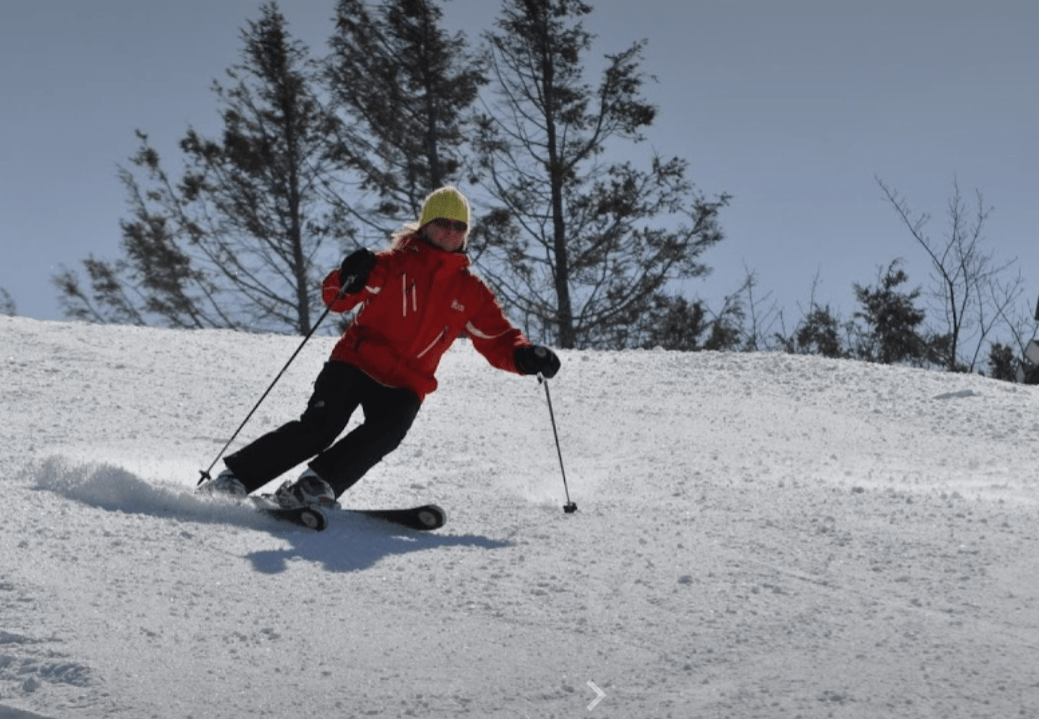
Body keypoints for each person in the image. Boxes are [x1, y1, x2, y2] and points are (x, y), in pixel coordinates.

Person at [200, 186, 561, 508]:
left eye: (459, 226)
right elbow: (337, 298)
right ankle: (235, 479)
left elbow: (498, 338)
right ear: (425, 225)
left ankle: (315, 484)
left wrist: (524, 356)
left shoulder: (471, 291)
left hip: (408, 382)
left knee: (387, 432)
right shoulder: (392, 265)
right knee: (320, 428)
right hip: (356, 363)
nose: (451, 231)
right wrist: (348, 276)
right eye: (443, 223)